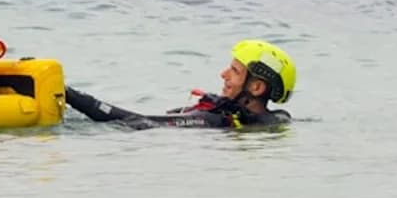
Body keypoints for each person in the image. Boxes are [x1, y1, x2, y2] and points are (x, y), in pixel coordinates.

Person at [65, 39, 296, 129]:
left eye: (234, 71)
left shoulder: (215, 119)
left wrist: (72, 96)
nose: (223, 74)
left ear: (256, 88)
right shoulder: (279, 120)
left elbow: (139, 122)